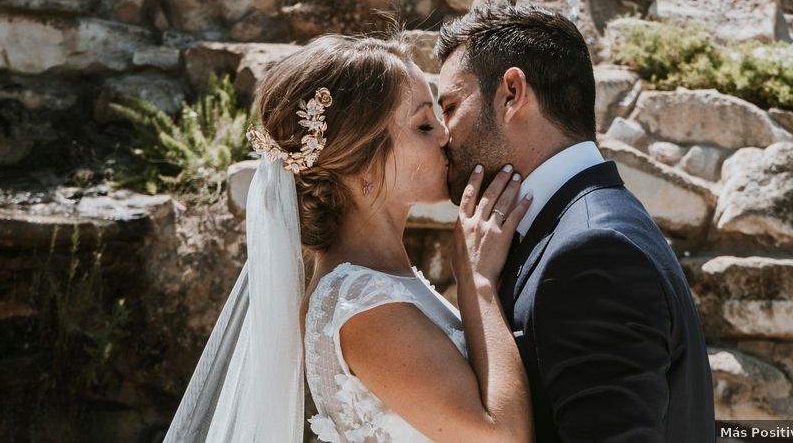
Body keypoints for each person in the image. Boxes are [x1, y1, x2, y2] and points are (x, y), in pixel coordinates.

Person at [163, 34, 535, 442]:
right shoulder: (361, 303)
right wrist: (477, 281)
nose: (446, 136)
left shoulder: (377, 282)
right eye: (424, 124)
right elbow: (502, 438)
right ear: (363, 168)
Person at [435, 0, 716, 442]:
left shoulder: (592, 251)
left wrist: (477, 284)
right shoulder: (586, 223)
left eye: (449, 106)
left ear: (512, 93)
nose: (443, 134)